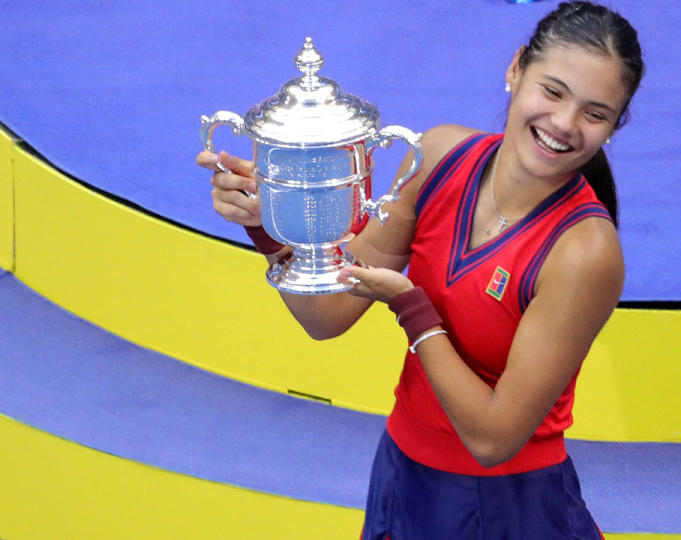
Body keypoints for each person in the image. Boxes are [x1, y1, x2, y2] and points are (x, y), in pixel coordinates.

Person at [197, 2, 644, 538]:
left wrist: (412, 308)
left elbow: (493, 440)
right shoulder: (436, 156)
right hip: (402, 479)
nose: (564, 124)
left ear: (615, 125)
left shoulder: (586, 253)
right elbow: (327, 316)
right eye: (553, 91)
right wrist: (271, 225)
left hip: (508, 510)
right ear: (515, 68)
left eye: (594, 114)